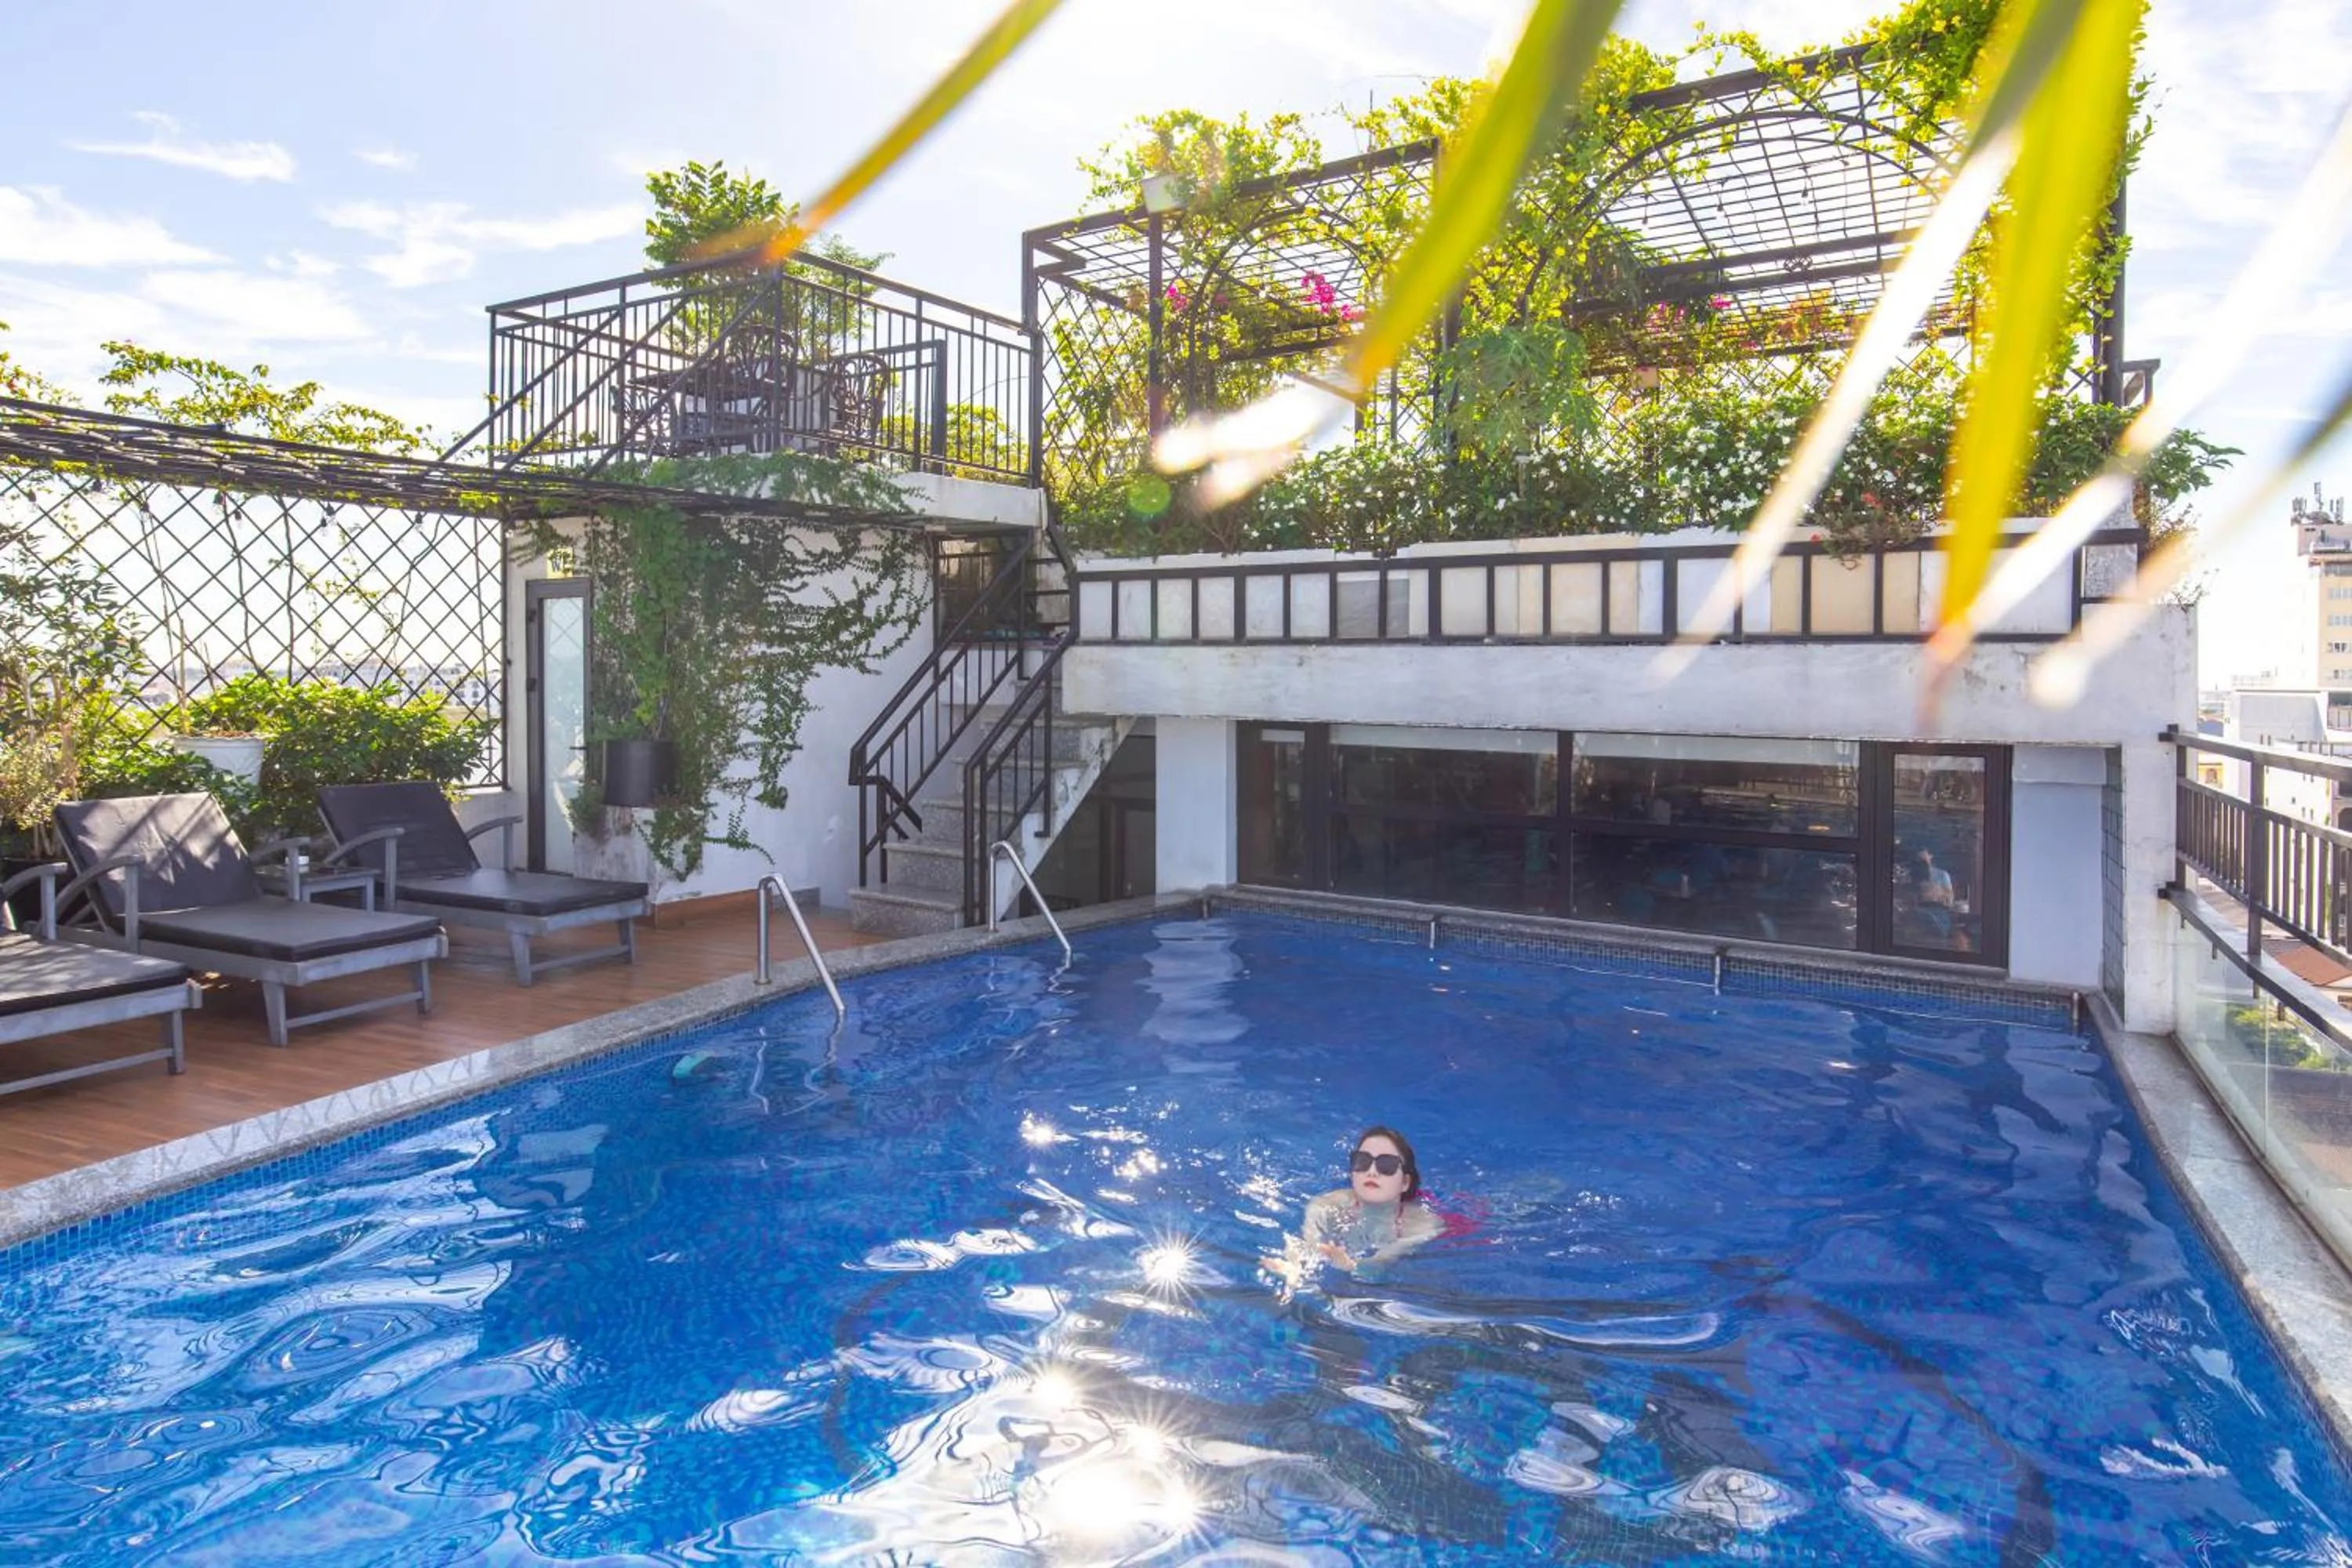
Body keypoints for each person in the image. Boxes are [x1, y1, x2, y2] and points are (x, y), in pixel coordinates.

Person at [1302, 1126, 1442, 1274]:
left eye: (1387, 1165)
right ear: (1352, 1173)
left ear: (1405, 1182)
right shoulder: (1324, 1206)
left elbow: (1376, 1269)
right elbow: (1308, 1250)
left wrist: (1351, 1267)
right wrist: (1294, 1268)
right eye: (1363, 1161)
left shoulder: (1421, 1226)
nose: (1372, 1172)